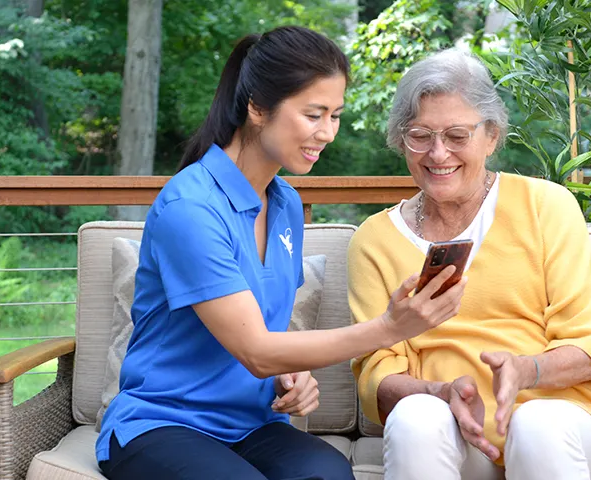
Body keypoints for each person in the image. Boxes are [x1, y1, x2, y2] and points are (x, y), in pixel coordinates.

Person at [96, 26, 467, 480]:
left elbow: (266, 338)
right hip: (160, 424)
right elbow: (257, 350)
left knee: (330, 474)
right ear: (257, 107)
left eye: (335, 115)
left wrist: (291, 376)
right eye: (314, 114)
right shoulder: (190, 208)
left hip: (250, 424)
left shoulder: (285, 203)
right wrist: (390, 328)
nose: (328, 132)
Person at [347, 48, 591, 480]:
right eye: (421, 135)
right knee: (415, 417)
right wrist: (440, 392)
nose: (438, 153)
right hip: (456, 429)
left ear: (492, 136)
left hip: (565, 418)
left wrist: (527, 370)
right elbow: (377, 375)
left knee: (535, 425)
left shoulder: (546, 206)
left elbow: (586, 347)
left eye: (457, 136)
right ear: (401, 140)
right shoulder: (374, 240)